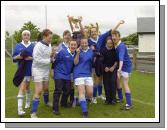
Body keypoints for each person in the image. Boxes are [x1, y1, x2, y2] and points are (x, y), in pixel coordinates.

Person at [88, 20, 125, 104]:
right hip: (95, 63)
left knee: (101, 79)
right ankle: (94, 97)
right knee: (96, 80)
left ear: (97, 32)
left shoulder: (101, 37)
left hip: (103, 61)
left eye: (95, 31)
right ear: (90, 33)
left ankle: (100, 94)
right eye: (92, 32)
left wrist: (118, 24)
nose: (94, 32)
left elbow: (111, 31)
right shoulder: (88, 41)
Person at [30, 29, 53, 118]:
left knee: (46, 88)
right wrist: (49, 60)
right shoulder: (38, 46)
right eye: (49, 38)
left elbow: (48, 55)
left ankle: (46, 102)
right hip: (37, 70)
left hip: (45, 70)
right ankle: (33, 112)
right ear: (44, 37)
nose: (51, 39)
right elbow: (36, 59)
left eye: (51, 38)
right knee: (39, 90)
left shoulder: (49, 45)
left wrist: (53, 55)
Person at [52, 39, 77, 115]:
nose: (73, 46)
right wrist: (52, 70)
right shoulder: (62, 52)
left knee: (68, 90)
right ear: (69, 45)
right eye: (71, 45)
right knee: (58, 90)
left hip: (67, 74)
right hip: (59, 73)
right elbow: (55, 61)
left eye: (74, 45)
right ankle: (55, 108)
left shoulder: (76, 54)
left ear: (76, 46)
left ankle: (63, 103)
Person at [12, 30, 34, 116]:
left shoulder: (33, 46)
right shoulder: (18, 46)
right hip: (21, 71)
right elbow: (13, 58)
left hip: (30, 70)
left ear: (29, 36)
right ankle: (20, 109)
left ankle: (28, 101)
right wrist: (18, 56)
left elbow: (36, 57)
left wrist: (30, 58)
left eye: (28, 35)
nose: (26, 36)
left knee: (27, 87)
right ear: (22, 36)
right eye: (24, 35)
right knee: (22, 88)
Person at [73, 37, 94, 118]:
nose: (84, 44)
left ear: (88, 43)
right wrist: (77, 53)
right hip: (78, 74)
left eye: (85, 43)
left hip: (88, 74)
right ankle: (85, 112)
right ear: (80, 43)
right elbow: (75, 63)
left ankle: (78, 99)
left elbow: (93, 62)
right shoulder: (77, 51)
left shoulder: (91, 51)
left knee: (90, 93)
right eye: (82, 43)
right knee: (82, 93)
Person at [112, 30, 132, 110]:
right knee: (117, 81)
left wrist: (119, 69)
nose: (113, 37)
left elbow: (121, 59)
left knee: (125, 84)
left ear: (119, 37)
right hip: (121, 66)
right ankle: (120, 98)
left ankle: (129, 104)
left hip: (126, 67)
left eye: (115, 36)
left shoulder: (121, 46)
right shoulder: (116, 45)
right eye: (112, 36)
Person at [101, 36, 118, 104]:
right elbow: (101, 61)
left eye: (111, 43)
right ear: (106, 43)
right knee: (106, 84)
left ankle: (113, 99)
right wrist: (105, 67)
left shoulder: (115, 50)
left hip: (113, 69)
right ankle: (108, 99)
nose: (110, 45)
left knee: (113, 83)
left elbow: (117, 61)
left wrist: (113, 67)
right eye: (108, 43)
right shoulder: (103, 50)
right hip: (105, 70)